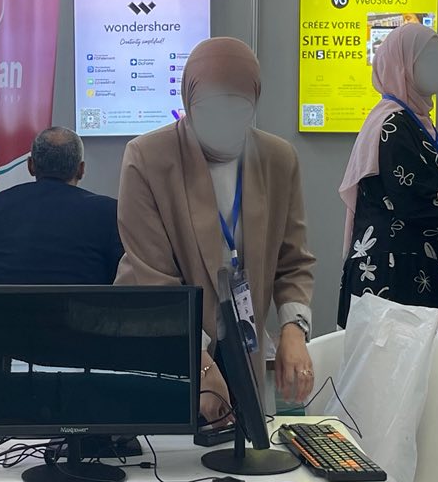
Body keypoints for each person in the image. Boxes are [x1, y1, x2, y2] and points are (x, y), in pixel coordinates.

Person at [116, 37, 315, 423]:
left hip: (243, 341)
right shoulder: (147, 158)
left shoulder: (277, 159)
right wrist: (201, 365)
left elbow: (293, 261)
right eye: (209, 108)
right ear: (188, 100)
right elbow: (153, 276)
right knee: (166, 453)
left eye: (237, 108)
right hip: (165, 338)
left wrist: (293, 329)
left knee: (244, 447)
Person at [338, 23, 438, 342]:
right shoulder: (393, 123)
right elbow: (413, 200)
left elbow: (423, 178)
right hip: (398, 274)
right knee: (399, 368)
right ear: (402, 66)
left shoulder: (413, 119)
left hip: (415, 268)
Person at [0, 126, 122, 287]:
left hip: (4, 306)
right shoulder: (108, 213)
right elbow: (122, 283)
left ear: (31, 165)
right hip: (83, 306)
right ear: (81, 169)